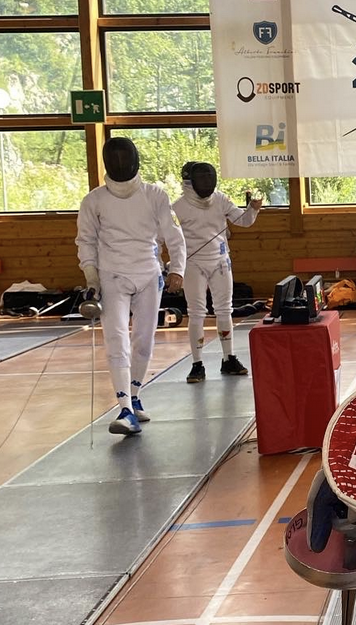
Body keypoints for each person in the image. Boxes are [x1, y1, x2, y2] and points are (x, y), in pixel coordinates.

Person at [76, 136, 186, 436]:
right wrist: (91, 278)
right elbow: (86, 242)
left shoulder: (155, 195)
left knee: (144, 341)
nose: (121, 163)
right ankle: (125, 408)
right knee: (116, 340)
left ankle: (135, 397)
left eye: (125, 158)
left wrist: (178, 269)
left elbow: (174, 236)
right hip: (112, 276)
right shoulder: (94, 200)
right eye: (116, 159)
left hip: (149, 275)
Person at [174, 161, 261, 382]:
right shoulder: (178, 207)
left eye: (208, 178)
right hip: (193, 264)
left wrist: (253, 208)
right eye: (201, 178)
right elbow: (165, 236)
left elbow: (244, 220)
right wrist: (171, 265)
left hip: (221, 261)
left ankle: (228, 358)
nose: (205, 183)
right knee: (196, 313)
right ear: (189, 182)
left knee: (224, 310)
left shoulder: (220, 199)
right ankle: (197, 364)